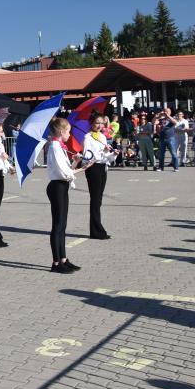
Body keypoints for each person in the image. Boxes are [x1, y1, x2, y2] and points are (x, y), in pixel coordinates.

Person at [46, 118, 92, 274]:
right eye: (68, 132)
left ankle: (63, 259)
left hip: (62, 186)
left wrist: (75, 162)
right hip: (57, 187)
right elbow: (64, 173)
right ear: (61, 131)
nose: (69, 134)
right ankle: (56, 262)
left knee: (63, 225)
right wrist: (82, 168)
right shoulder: (55, 147)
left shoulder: (59, 146)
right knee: (57, 225)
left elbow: (66, 170)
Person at [82, 115, 118, 240]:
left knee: (99, 200)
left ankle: (96, 229)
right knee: (95, 200)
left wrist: (113, 154)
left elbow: (106, 157)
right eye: (97, 123)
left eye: (102, 123)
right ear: (91, 123)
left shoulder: (102, 136)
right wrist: (103, 151)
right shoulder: (87, 137)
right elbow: (87, 156)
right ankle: (96, 230)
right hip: (93, 169)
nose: (100, 125)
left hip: (103, 168)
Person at [155, 107, 179, 172]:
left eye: (167, 111)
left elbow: (175, 122)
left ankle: (176, 167)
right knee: (161, 154)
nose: (165, 112)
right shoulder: (161, 119)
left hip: (170, 138)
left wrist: (168, 116)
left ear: (170, 112)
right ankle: (161, 167)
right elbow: (153, 121)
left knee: (173, 153)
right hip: (162, 138)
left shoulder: (172, 118)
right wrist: (157, 116)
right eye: (165, 111)